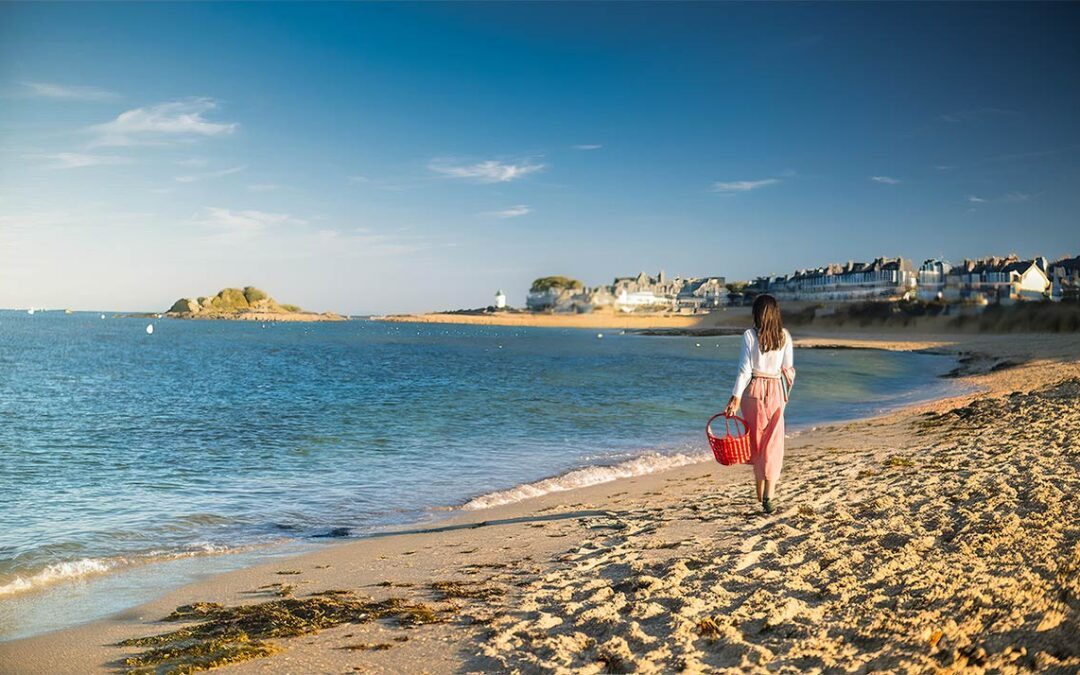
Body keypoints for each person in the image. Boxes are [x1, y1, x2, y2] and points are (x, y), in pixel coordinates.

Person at [723, 294, 795, 514]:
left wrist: (735, 397)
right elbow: (788, 370)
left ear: (756, 313)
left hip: (753, 390)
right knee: (773, 444)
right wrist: (784, 396)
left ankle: (758, 488)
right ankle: (768, 496)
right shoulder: (784, 336)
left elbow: (744, 370)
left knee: (756, 441)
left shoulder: (749, 336)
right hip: (776, 391)